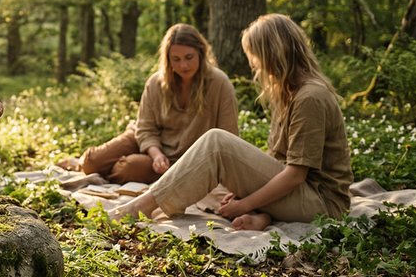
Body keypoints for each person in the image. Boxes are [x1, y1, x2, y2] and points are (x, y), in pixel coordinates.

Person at [108, 13, 353, 231]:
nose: (253, 65)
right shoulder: (289, 92)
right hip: (301, 195)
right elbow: (277, 160)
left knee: (217, 141)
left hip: (322, 203)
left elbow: (294, 176)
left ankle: (143, 205)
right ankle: (263, 218)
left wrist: (245, 203)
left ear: (272, 54)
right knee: (217, 147)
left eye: (254, 56)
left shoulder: (310, 97)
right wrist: (241, 191)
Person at [60, 23, 238, 184]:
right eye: (176, 59)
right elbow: (145, 128)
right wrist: (156, 154)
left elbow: (228, 136)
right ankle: (82, 163)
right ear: (168, 60)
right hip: (145, 141)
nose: (184, 65)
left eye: (189, 57)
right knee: (91, 162)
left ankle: (115, 166)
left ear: (201, 53)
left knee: (126, 169)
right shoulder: (156, 83)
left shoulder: (219, 83)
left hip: (181, 161)